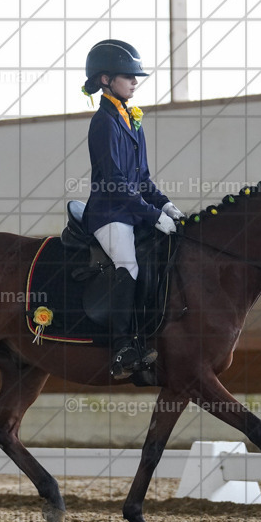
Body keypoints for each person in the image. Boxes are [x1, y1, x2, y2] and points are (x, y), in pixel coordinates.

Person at [81, 39, 184, 379]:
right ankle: (123, 346)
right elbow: (114, 182)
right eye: (128, 76)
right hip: (109, 214)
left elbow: (143, 180)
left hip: (131, 209)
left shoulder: (132, 119)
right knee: (129, 264)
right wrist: (152, 216)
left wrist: (166, 207)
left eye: (135, 76)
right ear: (106, 80)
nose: (135, 81)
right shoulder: (104, 123)